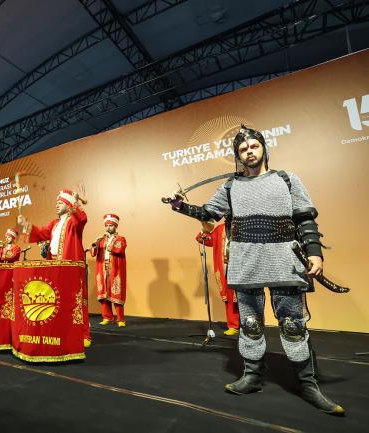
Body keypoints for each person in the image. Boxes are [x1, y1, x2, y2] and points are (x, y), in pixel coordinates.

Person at [164, 125, 343, 415]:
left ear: (263, 149)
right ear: (238, 155)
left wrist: (315, 254)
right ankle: (252, 376)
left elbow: (305, 220)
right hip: (245, 262)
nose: (249, 151)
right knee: (249, 323)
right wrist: (180, 206)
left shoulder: (287, 179)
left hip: (284, 260)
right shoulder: (231, 187)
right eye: (243, 148)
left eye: (254, 146)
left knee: (293, 324)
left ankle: (308, 384)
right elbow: (209, 213)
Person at [17, 189, 91, 347]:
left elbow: (82, 219)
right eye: (56, 202)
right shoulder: (54, 224)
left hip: (70, 266)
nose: (56, 205)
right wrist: (25, 225)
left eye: (60, 203)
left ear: (68, 204)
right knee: (58, 300)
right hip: (55, 266)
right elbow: (41, 232)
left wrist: (75, 202)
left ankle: (83, 333)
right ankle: (61, 331)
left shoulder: (73, 222)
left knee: (77, 300)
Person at [196, 222, 239, 335]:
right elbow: (205, 240)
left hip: (241, 266)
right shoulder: (220, 229)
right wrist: (205, 230)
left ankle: (249, 325)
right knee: (230, 296)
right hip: (225, 266)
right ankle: (233, 326)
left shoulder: (244, 224)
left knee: (245, 296)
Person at [90, 214, 127, 327]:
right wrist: (95, 243)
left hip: (115, 269)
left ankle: (120, 319)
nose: (108, 228)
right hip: (102, 269)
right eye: (106, 226)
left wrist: (108, 245)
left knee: (116, 293)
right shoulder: (101, 239)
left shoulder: (121, 239)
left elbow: (120, 249)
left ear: (115, 226)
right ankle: (107, 317)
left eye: (111, 225)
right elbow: (93, 253)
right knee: (103, 295)